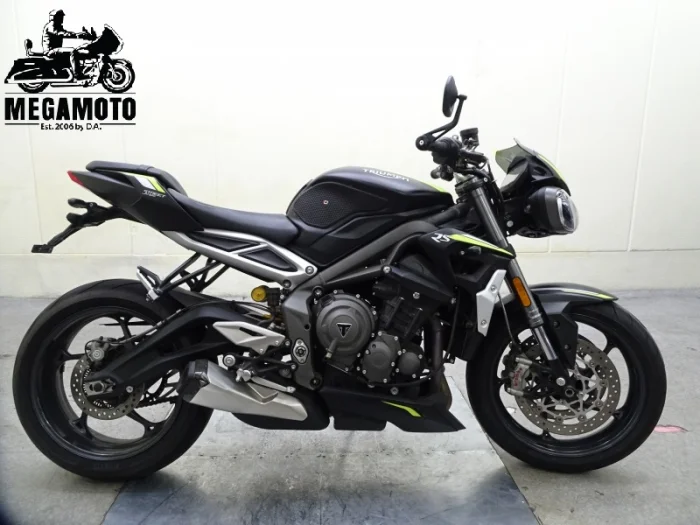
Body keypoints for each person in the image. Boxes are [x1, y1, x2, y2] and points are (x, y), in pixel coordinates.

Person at [42, 9, 91, 80]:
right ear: (55, 17)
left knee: (79, 51)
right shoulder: (51, 25)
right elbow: (60, 33)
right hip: (50, 51)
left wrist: (79, 34)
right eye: (60, 17)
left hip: (55, 50)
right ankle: (78, 75)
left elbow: (66, 32)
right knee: (72, 51)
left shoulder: (57, 26)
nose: (62, 19)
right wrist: (77, 35)